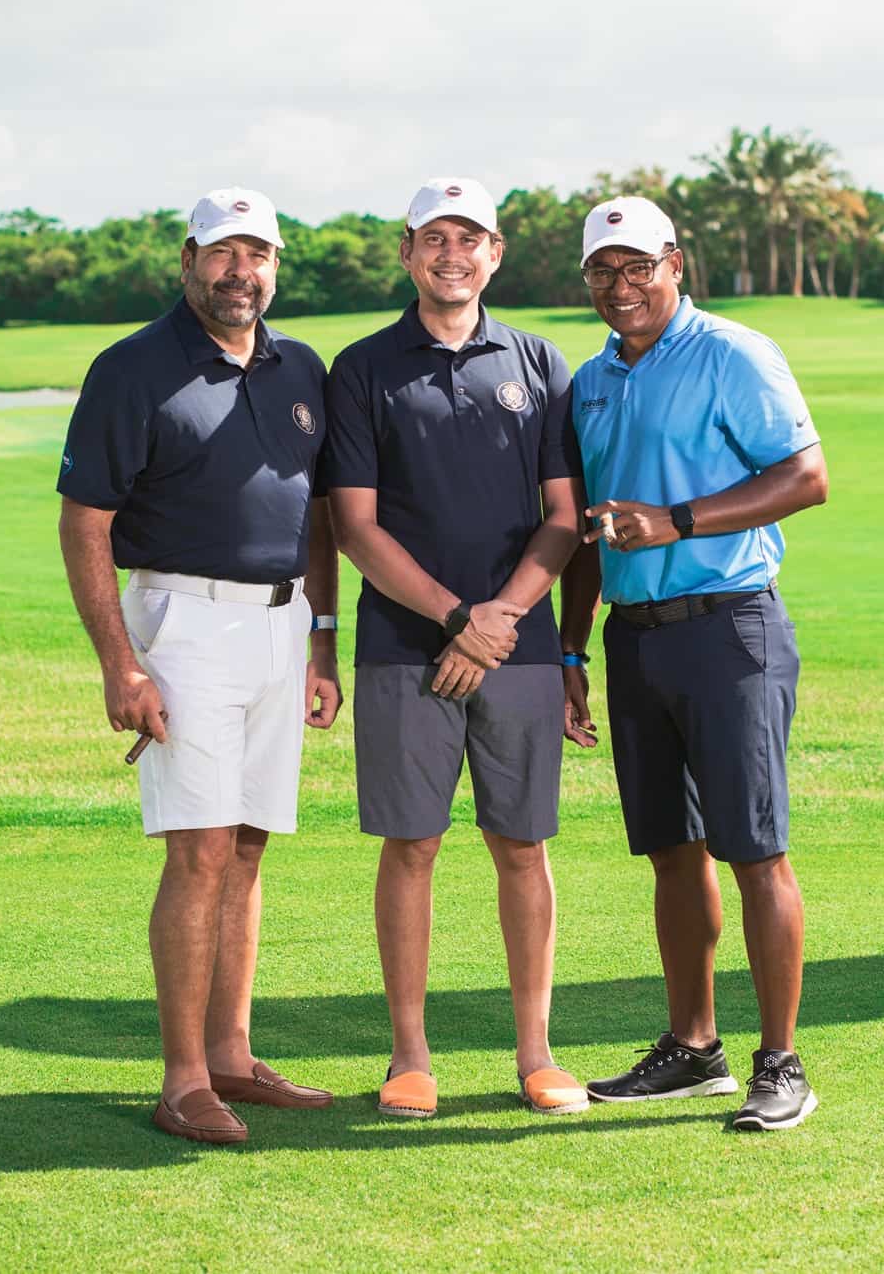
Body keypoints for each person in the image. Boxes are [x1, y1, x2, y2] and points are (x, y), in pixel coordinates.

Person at [57, 186, 342, 1146]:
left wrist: (320, 640)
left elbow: (315, 517)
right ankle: (182, 1080)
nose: (240, 272)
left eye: (257, 255)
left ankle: (231, 1053)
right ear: (189, 260)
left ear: (275, 267)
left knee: (251, 843)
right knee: (201, 846)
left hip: (279, 626)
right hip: (181, 626)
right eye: (223, 254)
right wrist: (120, 663)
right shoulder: (133, 368)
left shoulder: (300, 367)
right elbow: (85, 521)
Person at [560, 195, 828, 1131]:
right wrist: (569, 648)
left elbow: (805, 477)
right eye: (604, 270)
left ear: (676, 263)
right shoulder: (592, 378)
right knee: (671, 852)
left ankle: (781, 1062)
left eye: (640, 267)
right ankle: (693, 1048)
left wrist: (675, 521)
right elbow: (588, 532)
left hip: (728, 628)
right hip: (634, 638)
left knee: (753, 848)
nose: (623, 286)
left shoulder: (732, 352)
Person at [325, 177, 590, 1119]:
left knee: (520, 846)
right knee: (413, 845)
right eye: (433, 238)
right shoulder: (360, 368)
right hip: (405, 646)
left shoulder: (539, 361)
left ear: (496, 253)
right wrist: (455, 621)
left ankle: (537, 1055)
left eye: (468, 238)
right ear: (406, 252)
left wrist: (496, 622)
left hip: (516, 645)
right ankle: (409, 1057)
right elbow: (354, 526)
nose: (451, 254)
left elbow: (563, 519)